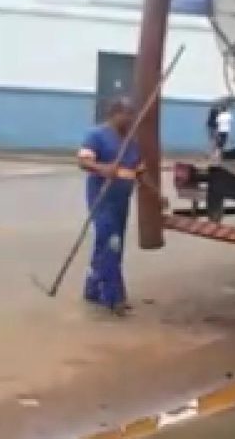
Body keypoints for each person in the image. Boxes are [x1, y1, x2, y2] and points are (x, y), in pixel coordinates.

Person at [77, 97, 158, 316]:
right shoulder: (97, 135)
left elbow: (140, 173)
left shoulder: (131, 143)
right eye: (127, 114)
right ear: (115, 114)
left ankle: (92, 287)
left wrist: (157, 195)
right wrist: (102, 168)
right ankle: (113, 296)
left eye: (133, 114)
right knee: (111, 244)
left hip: (121, 202)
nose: (131, 119)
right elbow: (83, 161)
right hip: (101, 201)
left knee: (108, 244)